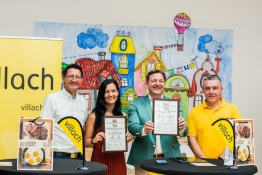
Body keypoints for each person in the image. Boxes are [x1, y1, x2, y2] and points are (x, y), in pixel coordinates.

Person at [127, 69, 187, 175]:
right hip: (143, 158)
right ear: (147, 83)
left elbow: (185, 130)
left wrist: (181, 128)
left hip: (170, 157)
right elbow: (132, 127)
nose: (157, 84)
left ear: (164, 83)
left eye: (160, 81)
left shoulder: (174, 104)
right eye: (154, 81)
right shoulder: (136, 104)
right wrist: (143, 129)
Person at [187, 75, 242, 159]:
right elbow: (191, 138)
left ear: (221, 90)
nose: (211, 92)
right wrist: (204, 160)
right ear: (203, 90)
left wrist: (221, 158)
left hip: (225, 163)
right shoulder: (194, 112)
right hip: (201, 164)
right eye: (207, 88)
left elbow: (238, 136)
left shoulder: (233, 110)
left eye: (215, 88)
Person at [84, 79, 132, 175]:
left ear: (118, 93)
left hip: (118, 161)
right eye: (107, 92)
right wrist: (94, 140)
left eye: (113, 91)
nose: (111, 94)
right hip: (99, 161)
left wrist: (127, 138)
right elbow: (86, 142)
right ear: (102, 94)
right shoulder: (93, 116)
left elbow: (122, 140)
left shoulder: (122, 116)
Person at [40, 63, 87, 159]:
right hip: (58, 156)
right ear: (63, 78)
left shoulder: (83, 101)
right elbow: (43, 127)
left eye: (77, 77)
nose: (74, 80)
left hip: (79, 156)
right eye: (70, 76)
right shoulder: (52, 99)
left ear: (81, 80)